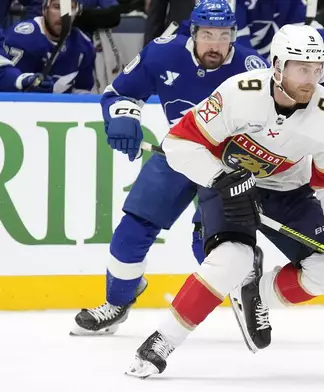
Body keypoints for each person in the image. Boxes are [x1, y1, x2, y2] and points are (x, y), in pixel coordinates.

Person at [125, 23, 324, 378]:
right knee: (233, 258)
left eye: (317, 69)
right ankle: (162, 341)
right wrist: (221, 178)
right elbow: (179, 144)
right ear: (277, 66)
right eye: (301, 68)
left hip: (288, 190)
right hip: (226, 180)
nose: (311, 78)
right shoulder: (239, 93)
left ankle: (255, 293)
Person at [70, 0, 268, 338]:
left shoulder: (253, 69)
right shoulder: (162, 53)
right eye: (207, 34)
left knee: (209, 243)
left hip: (226, 166)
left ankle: (248, 293)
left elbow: (273, 126)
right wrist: (123, 117)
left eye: (224, 35)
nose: (216, 45)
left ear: (234, 34)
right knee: (132, 230)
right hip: (177, 153)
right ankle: (117, 302)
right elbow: (120, 93)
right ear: (192, 32)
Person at [3, 0, 95, 93]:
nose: (63, 15)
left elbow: (82, 93)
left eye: (70, 8)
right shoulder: (22, 38)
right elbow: (8, 86)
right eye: (57, 7)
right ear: (44, 9)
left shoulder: (84, 46)